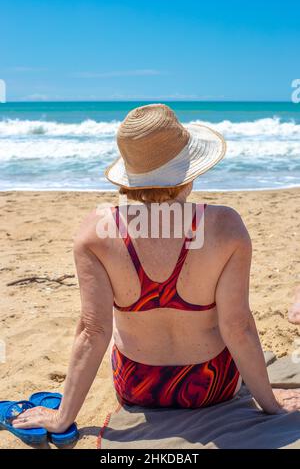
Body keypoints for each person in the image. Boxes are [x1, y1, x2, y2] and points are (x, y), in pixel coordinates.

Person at [13, 104, 300, 433]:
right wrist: (271, 405)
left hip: (137, 387)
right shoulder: (226, 226)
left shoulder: (96, 231)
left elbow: (94, 333)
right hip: (212, 385)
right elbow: (238, 328)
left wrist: (63, 416)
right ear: (188, 174)